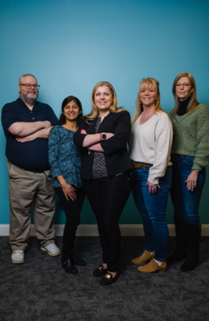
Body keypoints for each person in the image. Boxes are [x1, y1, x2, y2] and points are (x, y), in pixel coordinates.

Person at [73, 81, 132, 285]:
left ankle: (114, 268)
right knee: (102, 223)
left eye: (106, 94)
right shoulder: (87, 119)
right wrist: (103, 137)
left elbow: (119, 142)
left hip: (115, 178)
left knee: (109, 222)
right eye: (98, 94)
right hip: (91, 179)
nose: (102, 97)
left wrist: (91, 141)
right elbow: (78, 142)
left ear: (112, 96)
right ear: (94, 98)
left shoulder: (121, 115)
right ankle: (106, 262)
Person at [1, 74, 60, 264]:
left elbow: (57, 132)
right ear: (19, 88)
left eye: (35, 85)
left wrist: (34, 133)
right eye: (27, 85)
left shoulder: (46, 108)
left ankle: (47, 240)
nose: (32, 88)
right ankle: (18, 246)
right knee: (19, 211)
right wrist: (43, 124)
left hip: (46, 172)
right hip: (21, 172)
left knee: (46, 208)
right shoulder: (10, 108)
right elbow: (16, 129)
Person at [167, 72, 209, 272]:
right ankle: (181, 249)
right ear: (175, 88)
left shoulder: (201, 110)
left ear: (192, 88)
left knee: (190, 213)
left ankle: (193, 255)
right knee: (178, 211)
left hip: (190, 165)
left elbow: (205, 141)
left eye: (186, 85)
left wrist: (195, 170)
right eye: (179, 85)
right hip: (173, 165)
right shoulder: (171, 113)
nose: (182, 88)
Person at [129, 77, 173, 273]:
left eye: (151, 90)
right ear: (139, 95)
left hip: (153, 172)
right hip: (136, 171)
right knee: (146, 217)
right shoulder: (137, 119)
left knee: (157, 218)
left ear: (157, 94)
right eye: (143, 91)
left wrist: (153, 177)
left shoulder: (161, 117)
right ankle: (151, 250)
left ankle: (161, 260)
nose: (146, 94)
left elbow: (163, 151)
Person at [48, 95, 86, 274]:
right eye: (67, 107)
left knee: (75, 219)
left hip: (81, 182)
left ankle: (70, 253)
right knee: (73, 218)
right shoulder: (56, 131)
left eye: (75, 107)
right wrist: (64, 184)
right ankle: (66, 258)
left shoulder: (83, 130)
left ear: (79, 110)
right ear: (63, 110)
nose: (71, 110)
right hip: (64, 183)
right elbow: (52, 159)